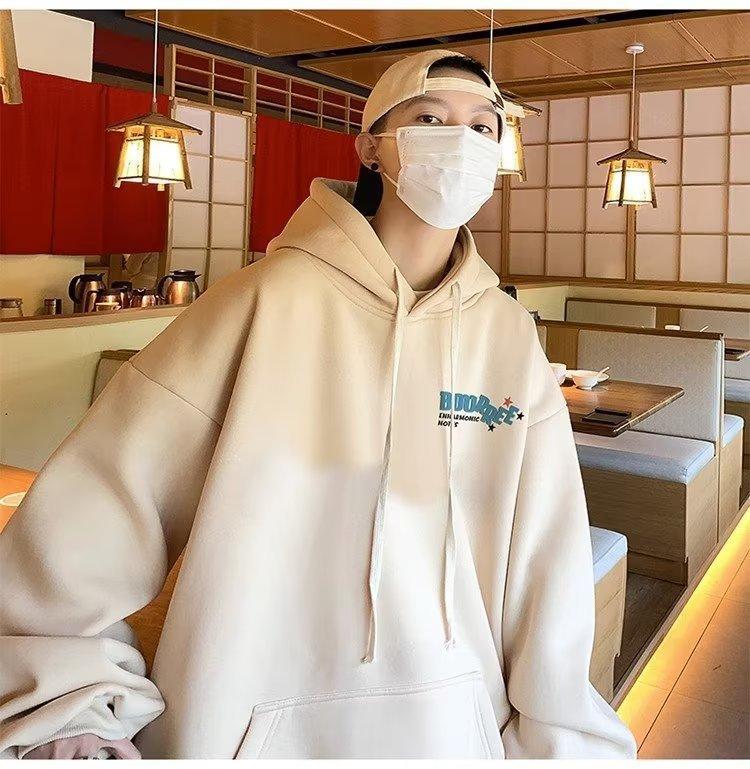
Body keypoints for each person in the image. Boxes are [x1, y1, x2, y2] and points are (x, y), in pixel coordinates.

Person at [0, 49, 637, 760]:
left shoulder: (509, 337)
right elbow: (96, 509)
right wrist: (72, 704)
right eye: (431, 120)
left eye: (483, 127)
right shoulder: (260, 303)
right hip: (238, 726)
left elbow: (546, 565)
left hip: (452, 733)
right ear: (370, 147)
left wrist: (557, 742)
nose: (462, 142)